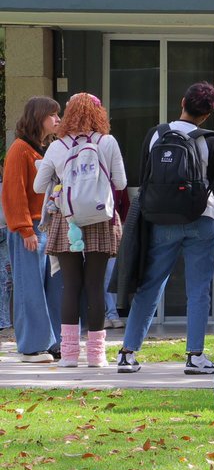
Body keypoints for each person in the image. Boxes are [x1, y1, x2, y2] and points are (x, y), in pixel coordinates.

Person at [121, 82, 214, 374]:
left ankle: (128, 353)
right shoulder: (210, 139)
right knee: (199, 289)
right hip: (202, 218)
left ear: (182, 102)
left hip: (161, 219)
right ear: (206, 116)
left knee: (150, 285)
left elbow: (145, 174)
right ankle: (195, 356)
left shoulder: (156, 134)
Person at [33, 93, 128, 368]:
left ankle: (70, 355)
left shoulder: (57, 146)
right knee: (95, 285)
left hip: (67, 218)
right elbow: (120, 182)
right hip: (100, 217)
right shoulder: (107, 142)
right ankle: (97, 355)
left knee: (70, 286)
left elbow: (39, 187)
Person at [2, 96, 63, 363]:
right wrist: (25, 228)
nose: (57, 120)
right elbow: (13, 192)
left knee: (49, 288)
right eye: (53, 115)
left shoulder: (42, 148)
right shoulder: (19, 149)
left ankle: (49, 341)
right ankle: (30, 347)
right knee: (30, 288)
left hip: (45, 229)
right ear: (39, 117)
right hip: (30, 230)